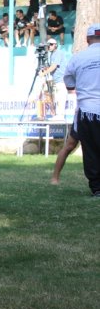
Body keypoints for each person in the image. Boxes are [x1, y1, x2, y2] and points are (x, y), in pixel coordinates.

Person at [63, 23, 100, 197]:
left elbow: (68, 80)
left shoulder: (78, 58)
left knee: (91, 150)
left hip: (87, 110)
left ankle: (97, 187)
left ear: (87, 39)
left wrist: (74, 86)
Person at [41, 38, 68, 119]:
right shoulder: (52, 54)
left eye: (51, 44)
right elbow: (52, 67)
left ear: (55, 45)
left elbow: (54, 66)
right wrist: (46, 69)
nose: (49, 46)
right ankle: (58, 115)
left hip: (61, 80)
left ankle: (60, 116)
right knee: (57, 98)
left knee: (60, 99)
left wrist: (43, 73)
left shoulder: (58, 53)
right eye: (48, 45)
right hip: (56, 80)